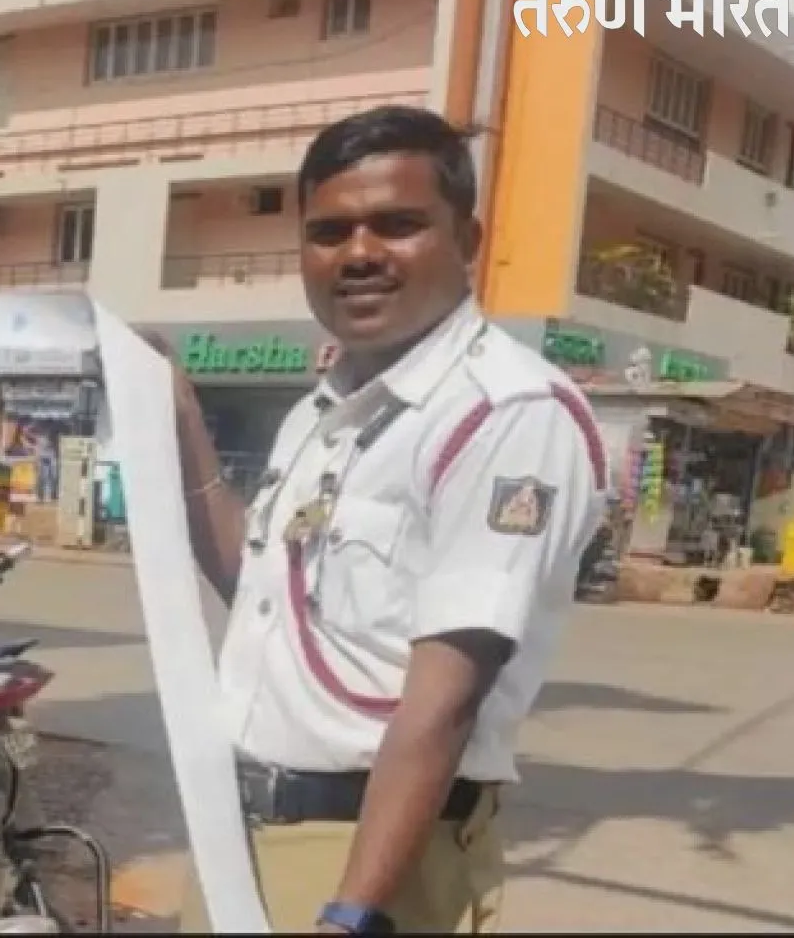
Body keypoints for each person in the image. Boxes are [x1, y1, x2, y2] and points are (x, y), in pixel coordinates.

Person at [161, 106, 605, 934]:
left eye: (397, 225)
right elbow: (256, 587)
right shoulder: (326, 410)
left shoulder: (505, 413)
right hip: (245, 841)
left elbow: (445, 702)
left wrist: (351, 914)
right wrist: (180, 416)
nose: (359, 254)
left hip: (366, 858)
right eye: (329, 232)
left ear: (467, 240)